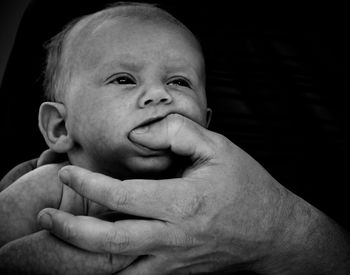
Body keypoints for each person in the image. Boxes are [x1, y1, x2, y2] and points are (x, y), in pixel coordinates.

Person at [1, 2, 350, 275]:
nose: (158, 94)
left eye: (179, 82)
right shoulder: (52, 184)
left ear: (207, 126)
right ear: (60, 128)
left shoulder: (223, 196)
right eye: (124, 79)